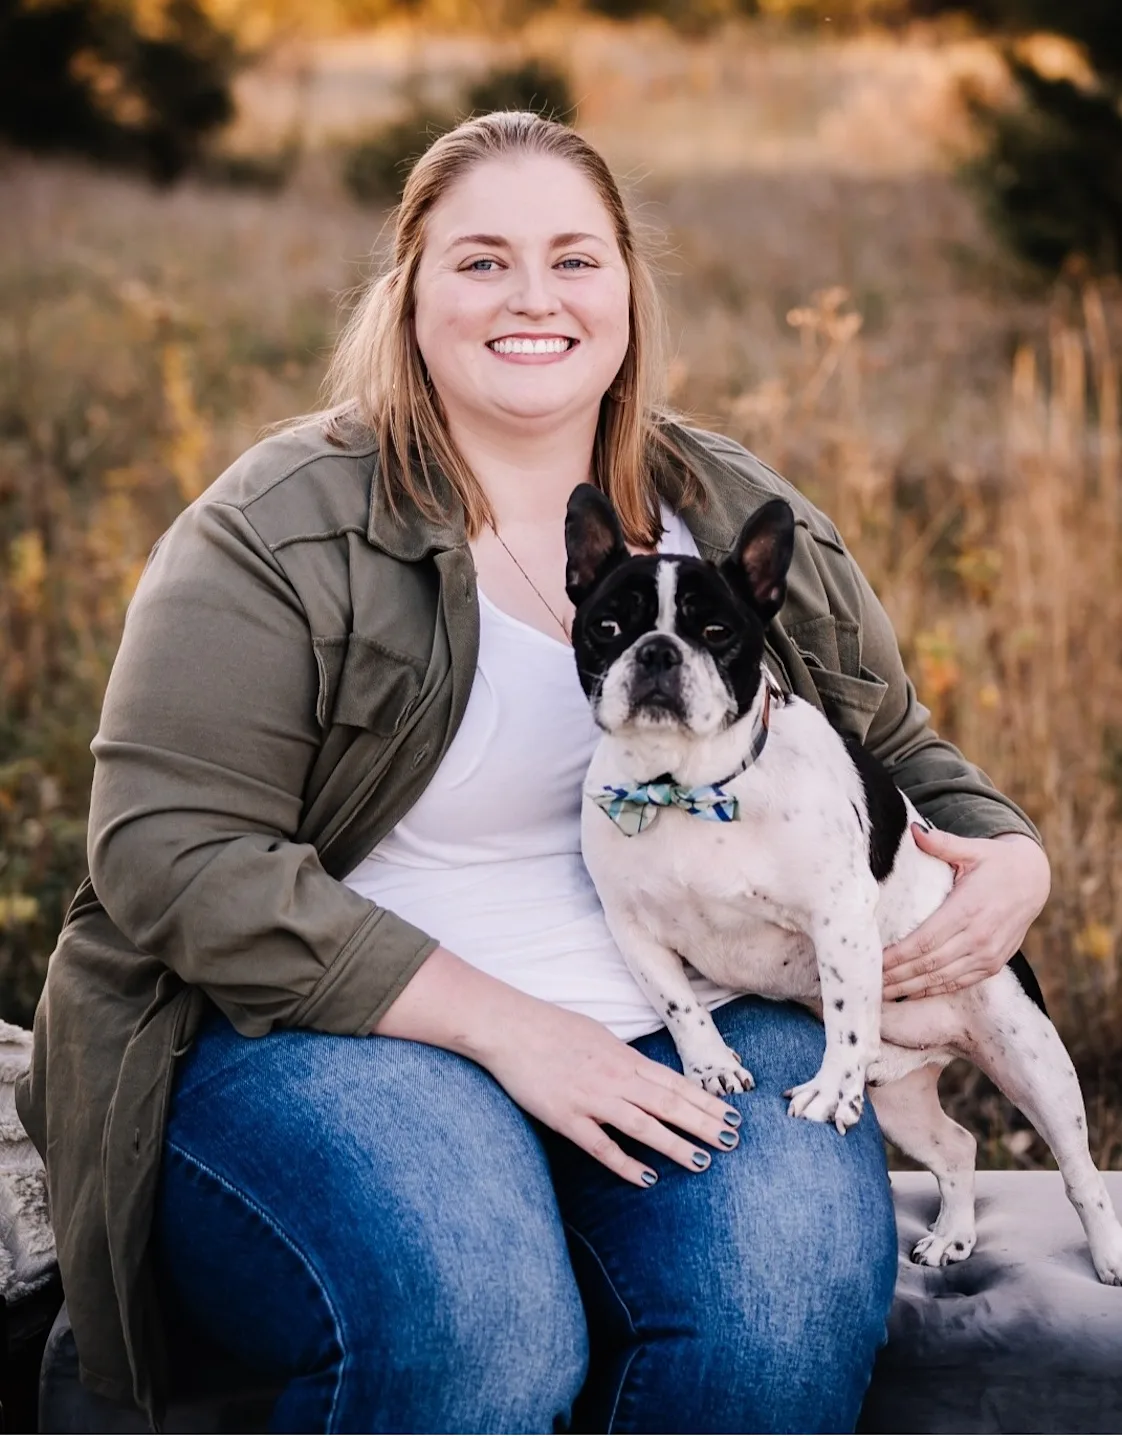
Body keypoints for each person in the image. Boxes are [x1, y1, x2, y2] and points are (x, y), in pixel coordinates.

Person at [17, 111, 1051, 1435]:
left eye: (573, 258)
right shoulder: (276, 526)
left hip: (707, 1011)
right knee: (474, 1332)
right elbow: (171, 853)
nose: (532, 300)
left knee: (776, 1316)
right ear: (407, 291)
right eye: (479, 261)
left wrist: (1006, 853)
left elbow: (893, 745)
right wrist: (510, 1030)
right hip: (334, 1034)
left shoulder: (723, 507)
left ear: (626, 285)